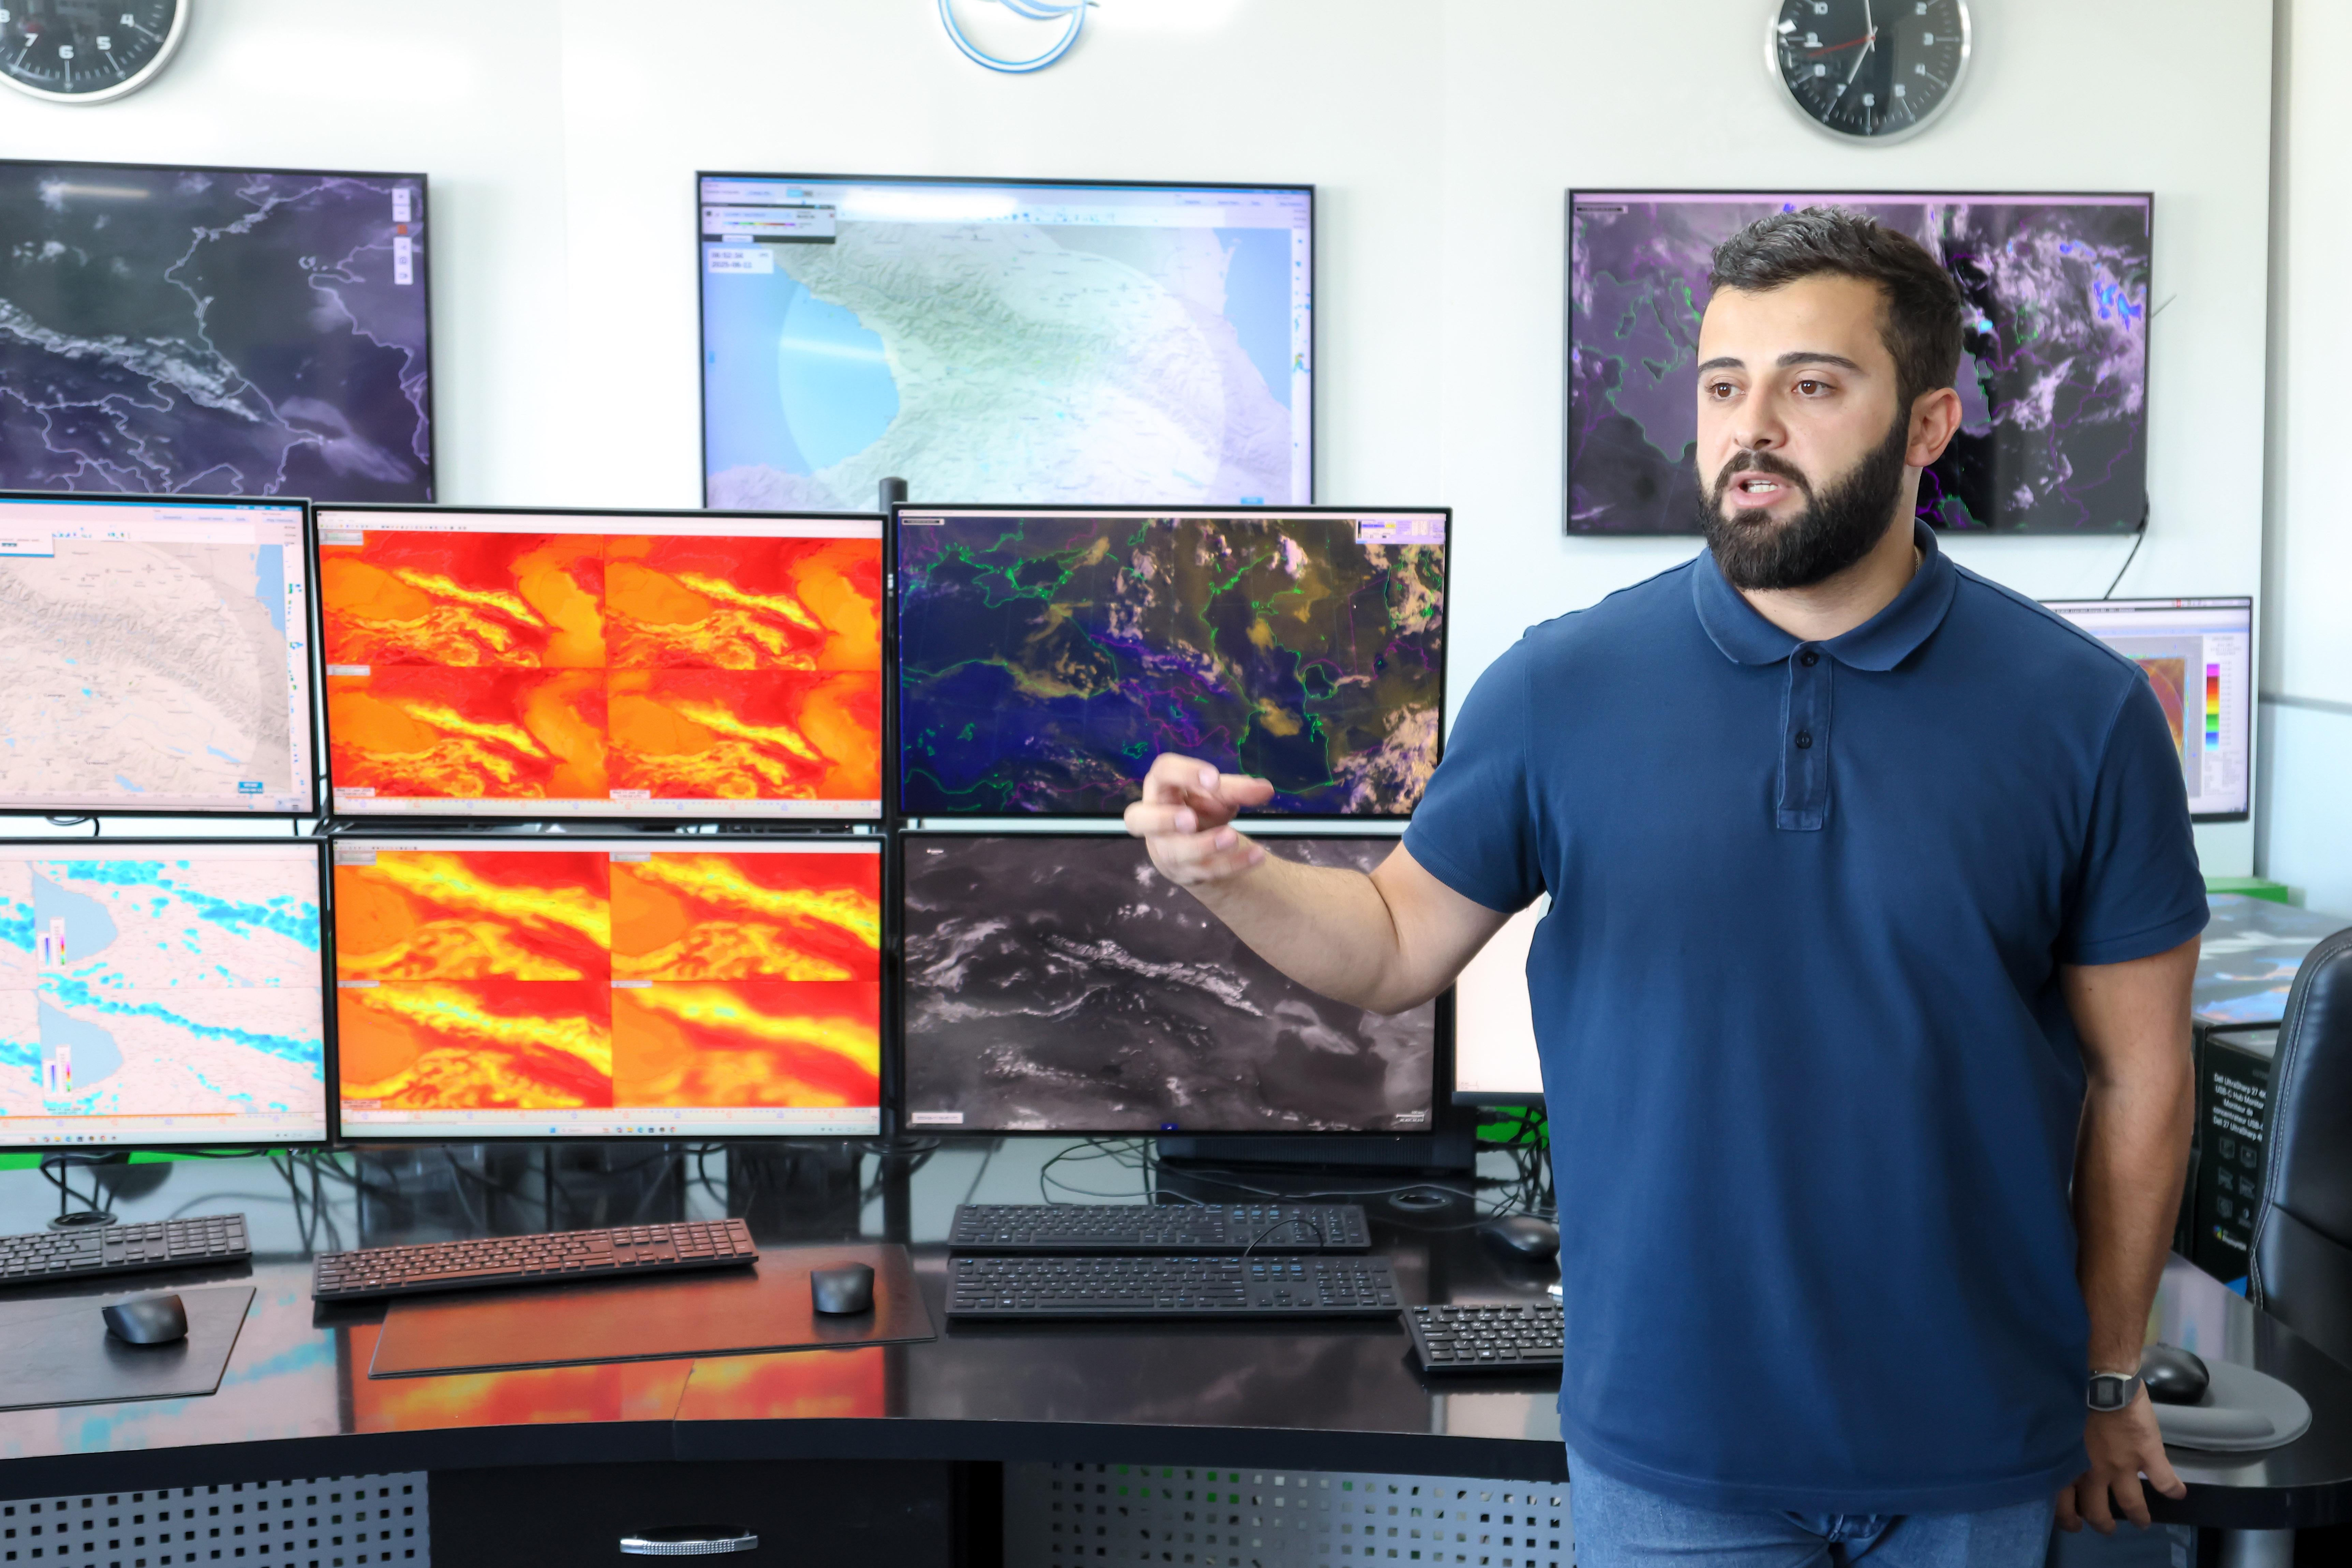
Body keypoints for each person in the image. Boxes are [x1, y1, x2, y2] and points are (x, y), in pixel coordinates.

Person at [1124, 207, 2203, 1568]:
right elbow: (1393, 945)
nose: (1753, 428)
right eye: (1722, 386)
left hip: (1975, 1444)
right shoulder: (1560, 688)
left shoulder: (2083, 713)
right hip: (1671, 1448)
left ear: (1928, 427)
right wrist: (1230, 875)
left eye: (1812, 386)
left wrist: (2109, 1374)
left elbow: (2143, 1078)